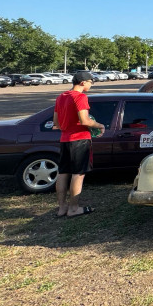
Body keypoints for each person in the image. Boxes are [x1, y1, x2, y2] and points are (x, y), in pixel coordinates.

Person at [53, 71, 104, 217]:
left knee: (63, 173)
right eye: (91, 82)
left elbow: (56, 123)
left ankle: (62, 208)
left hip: (65, 140)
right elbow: (84, 120)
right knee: (78, 174)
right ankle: (74, 208)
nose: (91, 85)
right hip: (79, 140)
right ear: (83, 82)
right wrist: (100, 125)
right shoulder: (80, 97)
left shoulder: (61, 97)